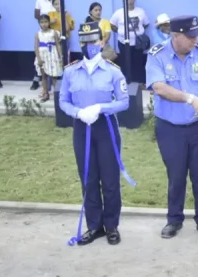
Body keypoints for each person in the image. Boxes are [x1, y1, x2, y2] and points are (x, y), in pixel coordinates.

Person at [146, 15, 198, 241]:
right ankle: (174, 219)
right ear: (175, 35)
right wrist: (191, 99)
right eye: (190, 37)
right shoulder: (157, 56)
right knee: (176, 175)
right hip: (171, 128)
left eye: (196, 36)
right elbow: (159, 88)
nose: (194, 41)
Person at [58, 21, 130, 246]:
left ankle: (111, 226)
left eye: (94, 41)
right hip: (82, 128)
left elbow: (124, 101)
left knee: (109, 178)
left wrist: (101, 108)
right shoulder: (71, 71)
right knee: (88, 178)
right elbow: (63, 101)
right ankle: (94, 225)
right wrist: (78, 113)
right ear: (80, 43)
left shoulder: (112, 71)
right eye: (85, 41)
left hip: (105, 127)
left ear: (102, 42)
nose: (89, 45)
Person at [111, 0, 149, 84]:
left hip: (138, 44)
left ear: (134, 0)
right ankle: (126, 82)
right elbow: (112, 25)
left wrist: (138, 33)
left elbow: (146, 24)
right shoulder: (118, 13)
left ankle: (138, 82)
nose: (129, 1)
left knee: (138, 63)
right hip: (123, 43)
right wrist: (120, 32)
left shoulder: (140, 11)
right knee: (125, 63)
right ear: (124, 1)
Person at [31, 0, 57, 91]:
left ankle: (53, 87)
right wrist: (48, 21)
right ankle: (37, 80)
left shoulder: (57, 1)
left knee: (52, 58)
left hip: (54, 33)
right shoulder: (40, 0)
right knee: (40, 58)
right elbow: (36, 15)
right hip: (43, 32)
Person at [34, 14, 63, 102]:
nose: (44, 24)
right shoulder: (38, 34)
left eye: (46, 22)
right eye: (42, 22)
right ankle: (46, 93)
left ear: (49, 22)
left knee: (54, 76)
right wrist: (38, 58)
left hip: (53, 56)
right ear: (39, 23)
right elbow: (36, 47)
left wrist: (60, 56)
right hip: (43, 57)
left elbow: (58, 45)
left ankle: (57, 95)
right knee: (44, 76)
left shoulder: (54, 32)